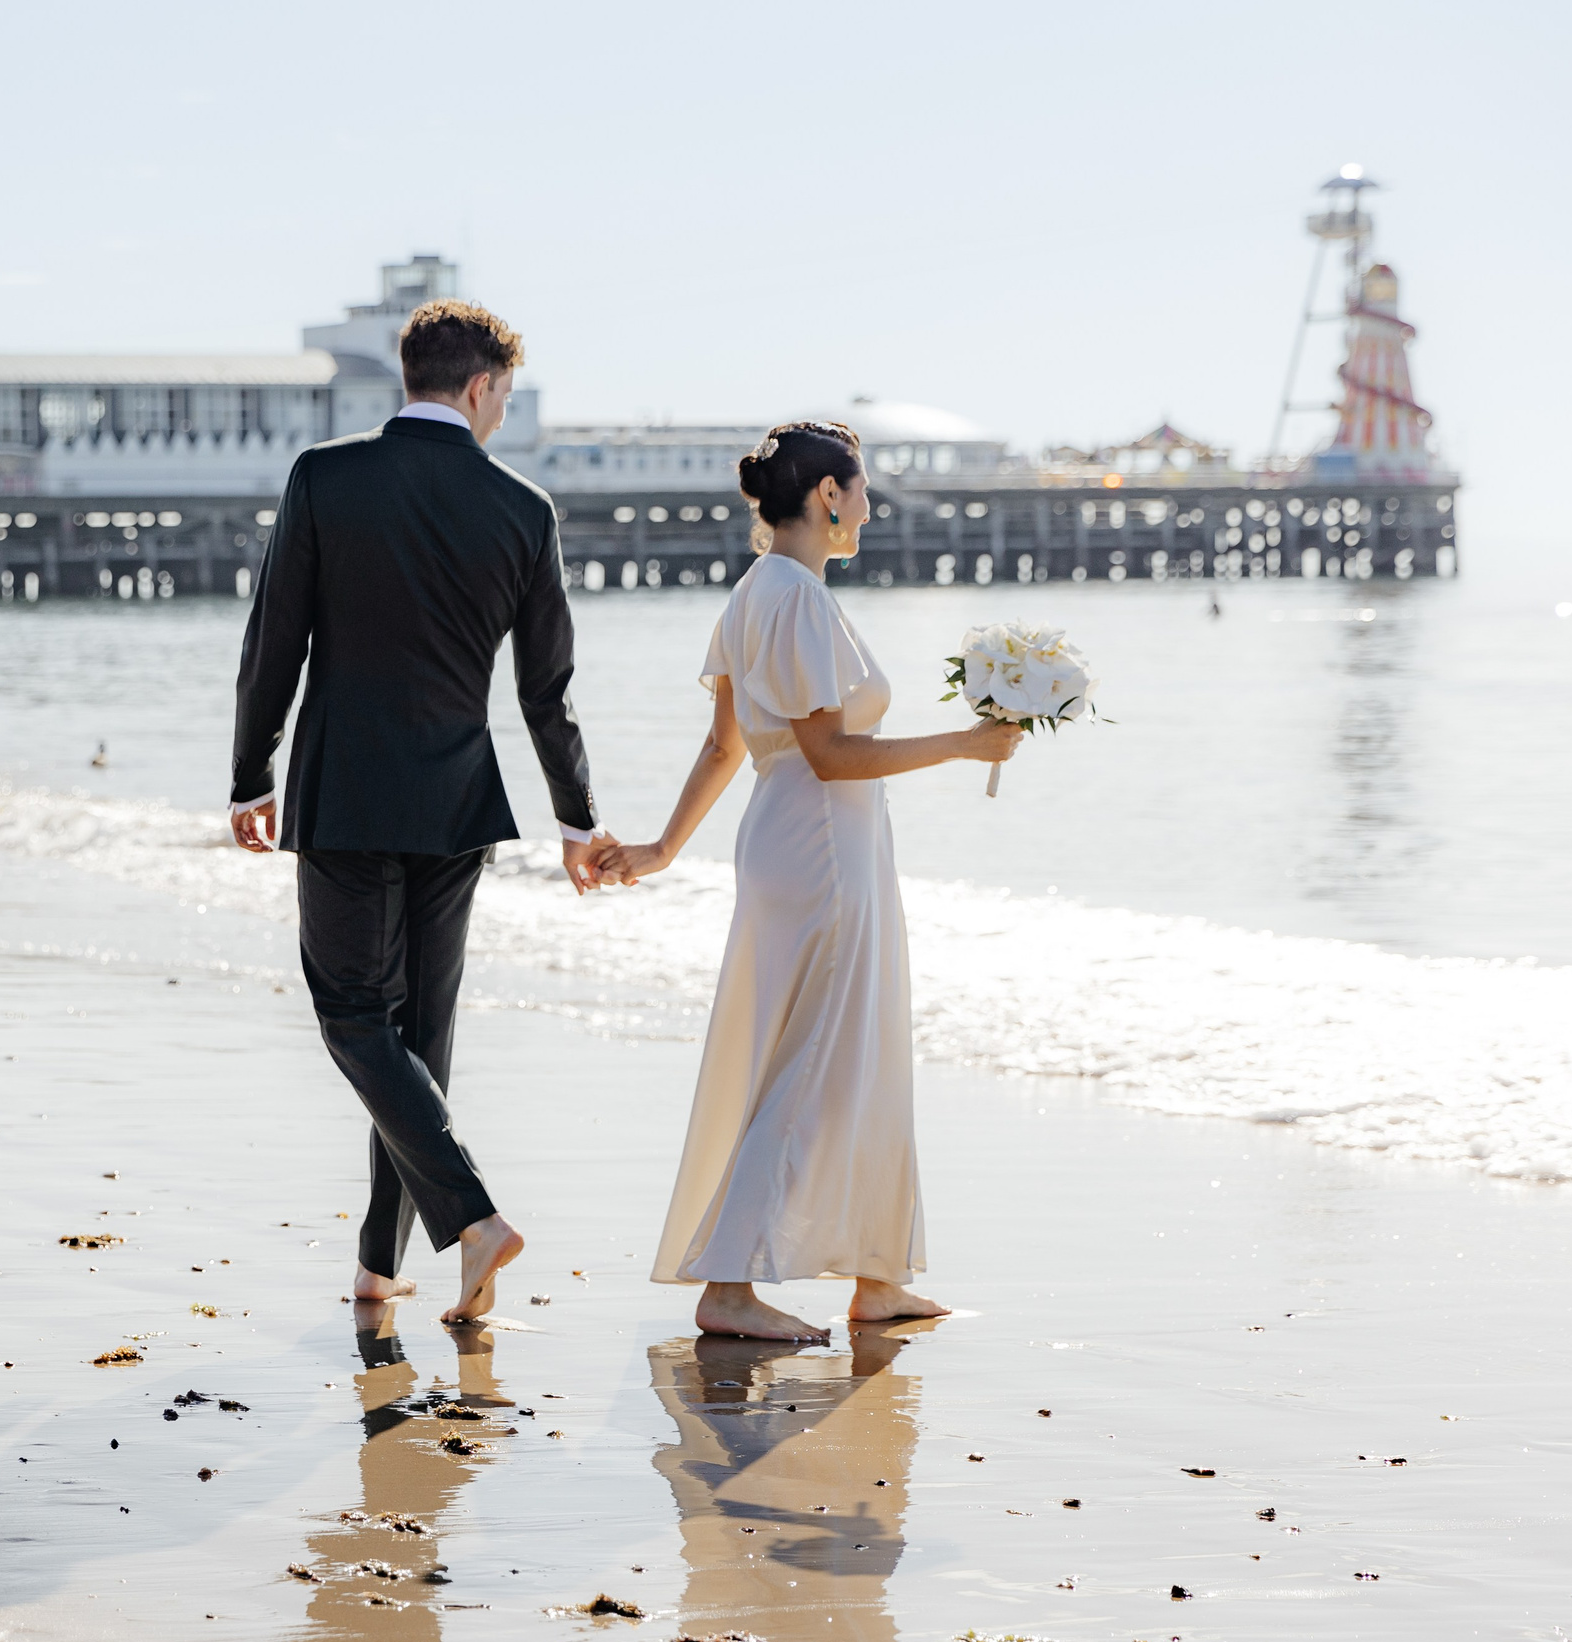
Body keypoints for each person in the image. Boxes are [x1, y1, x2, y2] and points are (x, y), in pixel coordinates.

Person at [230, 297, 614, 1324]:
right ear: (481, 387)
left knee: (354, 1016)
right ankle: (378, 1264)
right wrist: (577, 821)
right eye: (504, 397)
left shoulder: (324, 477)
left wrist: (248, 774)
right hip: (457, 798)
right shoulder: (523, 509)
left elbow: (276, 642)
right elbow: (546, 694)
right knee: (419, 1033)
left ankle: (471, 1221)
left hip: (343, 790)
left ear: (414, 375)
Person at [596, 422, 1025, 1341]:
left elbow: (726, 743)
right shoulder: (795, 597)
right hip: (824, 844)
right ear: (829, 494)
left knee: (853, 1050)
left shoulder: (760, 591)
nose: (869, 507)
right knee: (816, 1061)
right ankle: (729, 1283)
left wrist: (664, 848)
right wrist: (967, 743)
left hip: (798, 840)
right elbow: (829, 754)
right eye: (862, 489)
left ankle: (878, 1273)